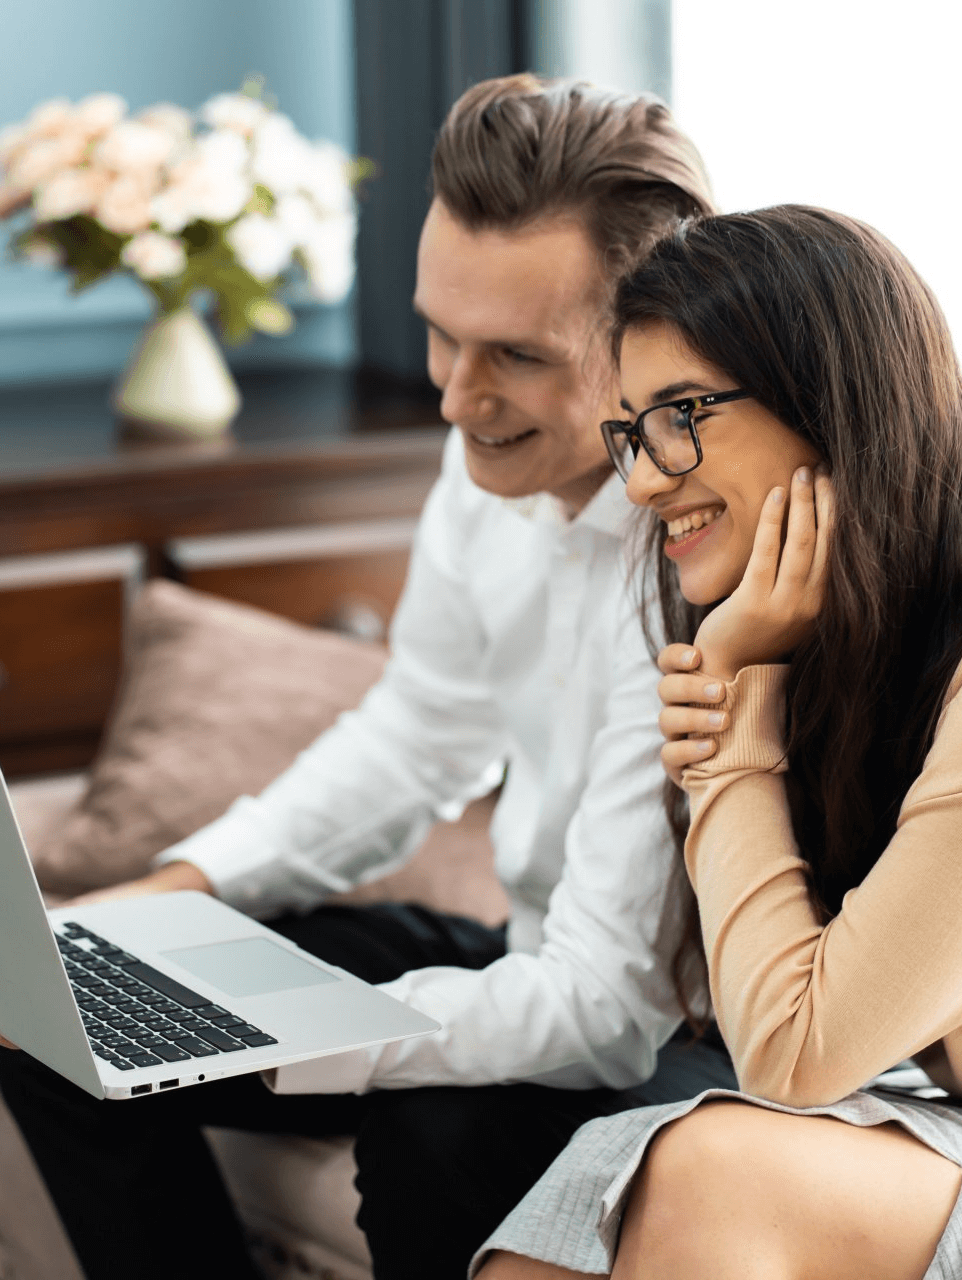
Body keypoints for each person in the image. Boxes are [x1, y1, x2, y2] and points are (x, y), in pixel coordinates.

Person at [0, 76, 736, 1280]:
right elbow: (417, 735)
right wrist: (179, 888)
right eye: (440, 331)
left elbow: (607, 1010)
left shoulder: (695, 566)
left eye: (513, 354)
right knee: (68, 1016)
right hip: (533, 952)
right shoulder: (488, 456)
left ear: (658, 345)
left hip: (686, 1038)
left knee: (431, 1124)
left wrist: (312, 1037)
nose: (452, 395)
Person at [472, 203, 962, 1280]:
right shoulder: (821, 643)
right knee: (571, 1217)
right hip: (911, 1117)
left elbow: (791, 1051)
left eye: (682, 412)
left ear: (833, 405)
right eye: (632, 429)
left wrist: (733, 711)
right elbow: (763, 1028)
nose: (644, 478)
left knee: (708, 1165)